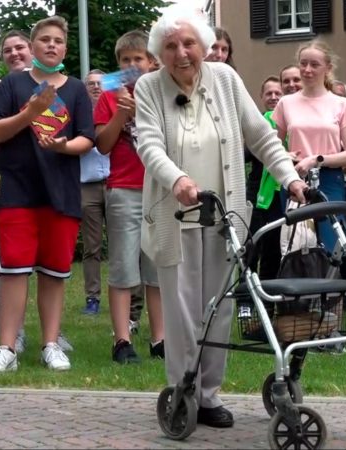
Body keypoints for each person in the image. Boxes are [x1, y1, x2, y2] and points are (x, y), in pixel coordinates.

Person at [135, 4, 305, 428]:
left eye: (189, 42)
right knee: (182, 311)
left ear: (204, 45)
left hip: (224, 216)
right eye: (171, 45)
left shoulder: (226, 80)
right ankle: (183, 391)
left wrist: (290, 179)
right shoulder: (148, 88)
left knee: (219, 308)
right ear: (160, 51)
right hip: (176, 215)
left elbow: (261, 136)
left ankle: (209, 395)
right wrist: (177, 180)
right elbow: (149, 144)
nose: (181, 52)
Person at [0, 16, 95, 372]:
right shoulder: (11, 85)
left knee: (54, 272)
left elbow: (87, 139)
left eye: (58, 41)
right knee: (14, 271)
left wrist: (63, 146)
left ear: (64, 47)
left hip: (60, 193)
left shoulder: (75, 89)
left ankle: (50, 344)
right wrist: (29, 112)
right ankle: (7, 348)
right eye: (44, 39)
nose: (51, 45)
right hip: (16, 190)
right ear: (32, 47)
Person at [94, 30, 164, 363]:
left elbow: (170, 138)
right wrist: (121, 112)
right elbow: (103, 144)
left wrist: (138, 112)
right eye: (125, 60)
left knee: (158, 268)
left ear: (151, 62)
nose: (132, 65)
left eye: (139, 59)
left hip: (160, 188)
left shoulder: (161, 91)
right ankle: (122, 339)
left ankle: (160, 338)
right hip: (124, 187)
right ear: (118, 65)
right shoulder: (109, 96)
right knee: (123, 266)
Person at [272, 39, 346, 252]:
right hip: (295, 180)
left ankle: (331, 286)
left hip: (329, 179)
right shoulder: (286, 103)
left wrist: (316, 159)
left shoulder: (341, 104)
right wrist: (286, 154)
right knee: (296, 246)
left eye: (314, 65)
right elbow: (273, 145)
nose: (307, 70)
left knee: (331, 245)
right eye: (303, 64)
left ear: (328, 68)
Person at [79, 68, 110, 316]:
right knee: (92, 246)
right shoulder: (78, 115)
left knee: (125, 244)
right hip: (87, 185)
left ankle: (132, 298)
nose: (96, 87)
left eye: (100, 83)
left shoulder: (116, 111)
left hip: (115, 182)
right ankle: (93, 297)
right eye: (91, 84)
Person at [248, 75, 283, 280]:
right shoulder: (256, 123)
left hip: (279, 193)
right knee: (251, 245)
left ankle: (268, 300)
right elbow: (245, 153)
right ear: (261, 97)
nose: (273, 97)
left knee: (273, 248)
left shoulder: (289, 122)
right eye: (269, 93)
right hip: (257, 192)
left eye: (277, 93)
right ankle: (246, 300)